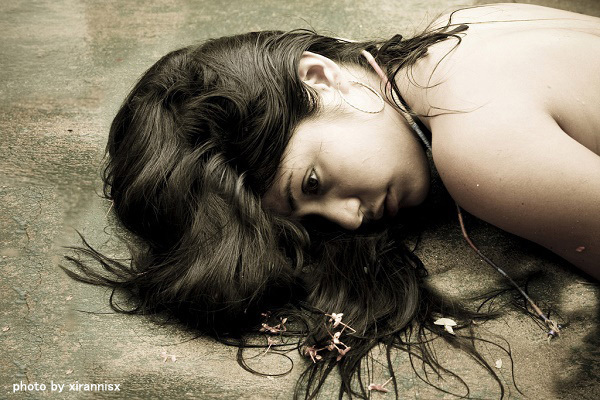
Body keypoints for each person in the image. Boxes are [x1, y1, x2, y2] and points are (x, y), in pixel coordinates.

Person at [63, 3, 600, 399]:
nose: (349, 218)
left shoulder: (478, 148)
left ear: (320, 78)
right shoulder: (463, 26)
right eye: (311, 219)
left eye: (313, 183)